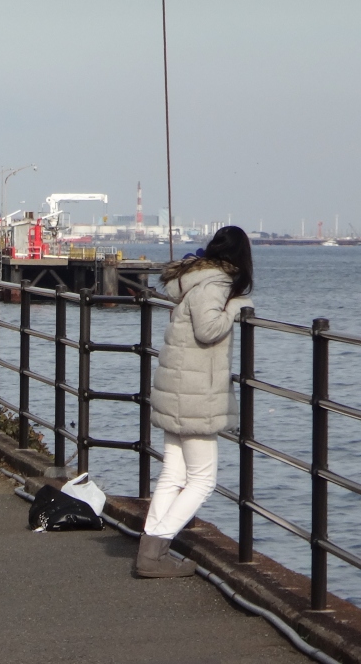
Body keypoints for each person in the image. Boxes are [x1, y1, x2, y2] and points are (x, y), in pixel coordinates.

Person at [135, 226, 254, 578]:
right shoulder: (215, 284)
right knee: (203, 480)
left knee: (173, 473)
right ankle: (155, 546)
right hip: (196, 392)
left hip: (178, 387)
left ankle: (150, 550)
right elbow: (208, 329)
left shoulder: (194, 279)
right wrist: (236, 307)